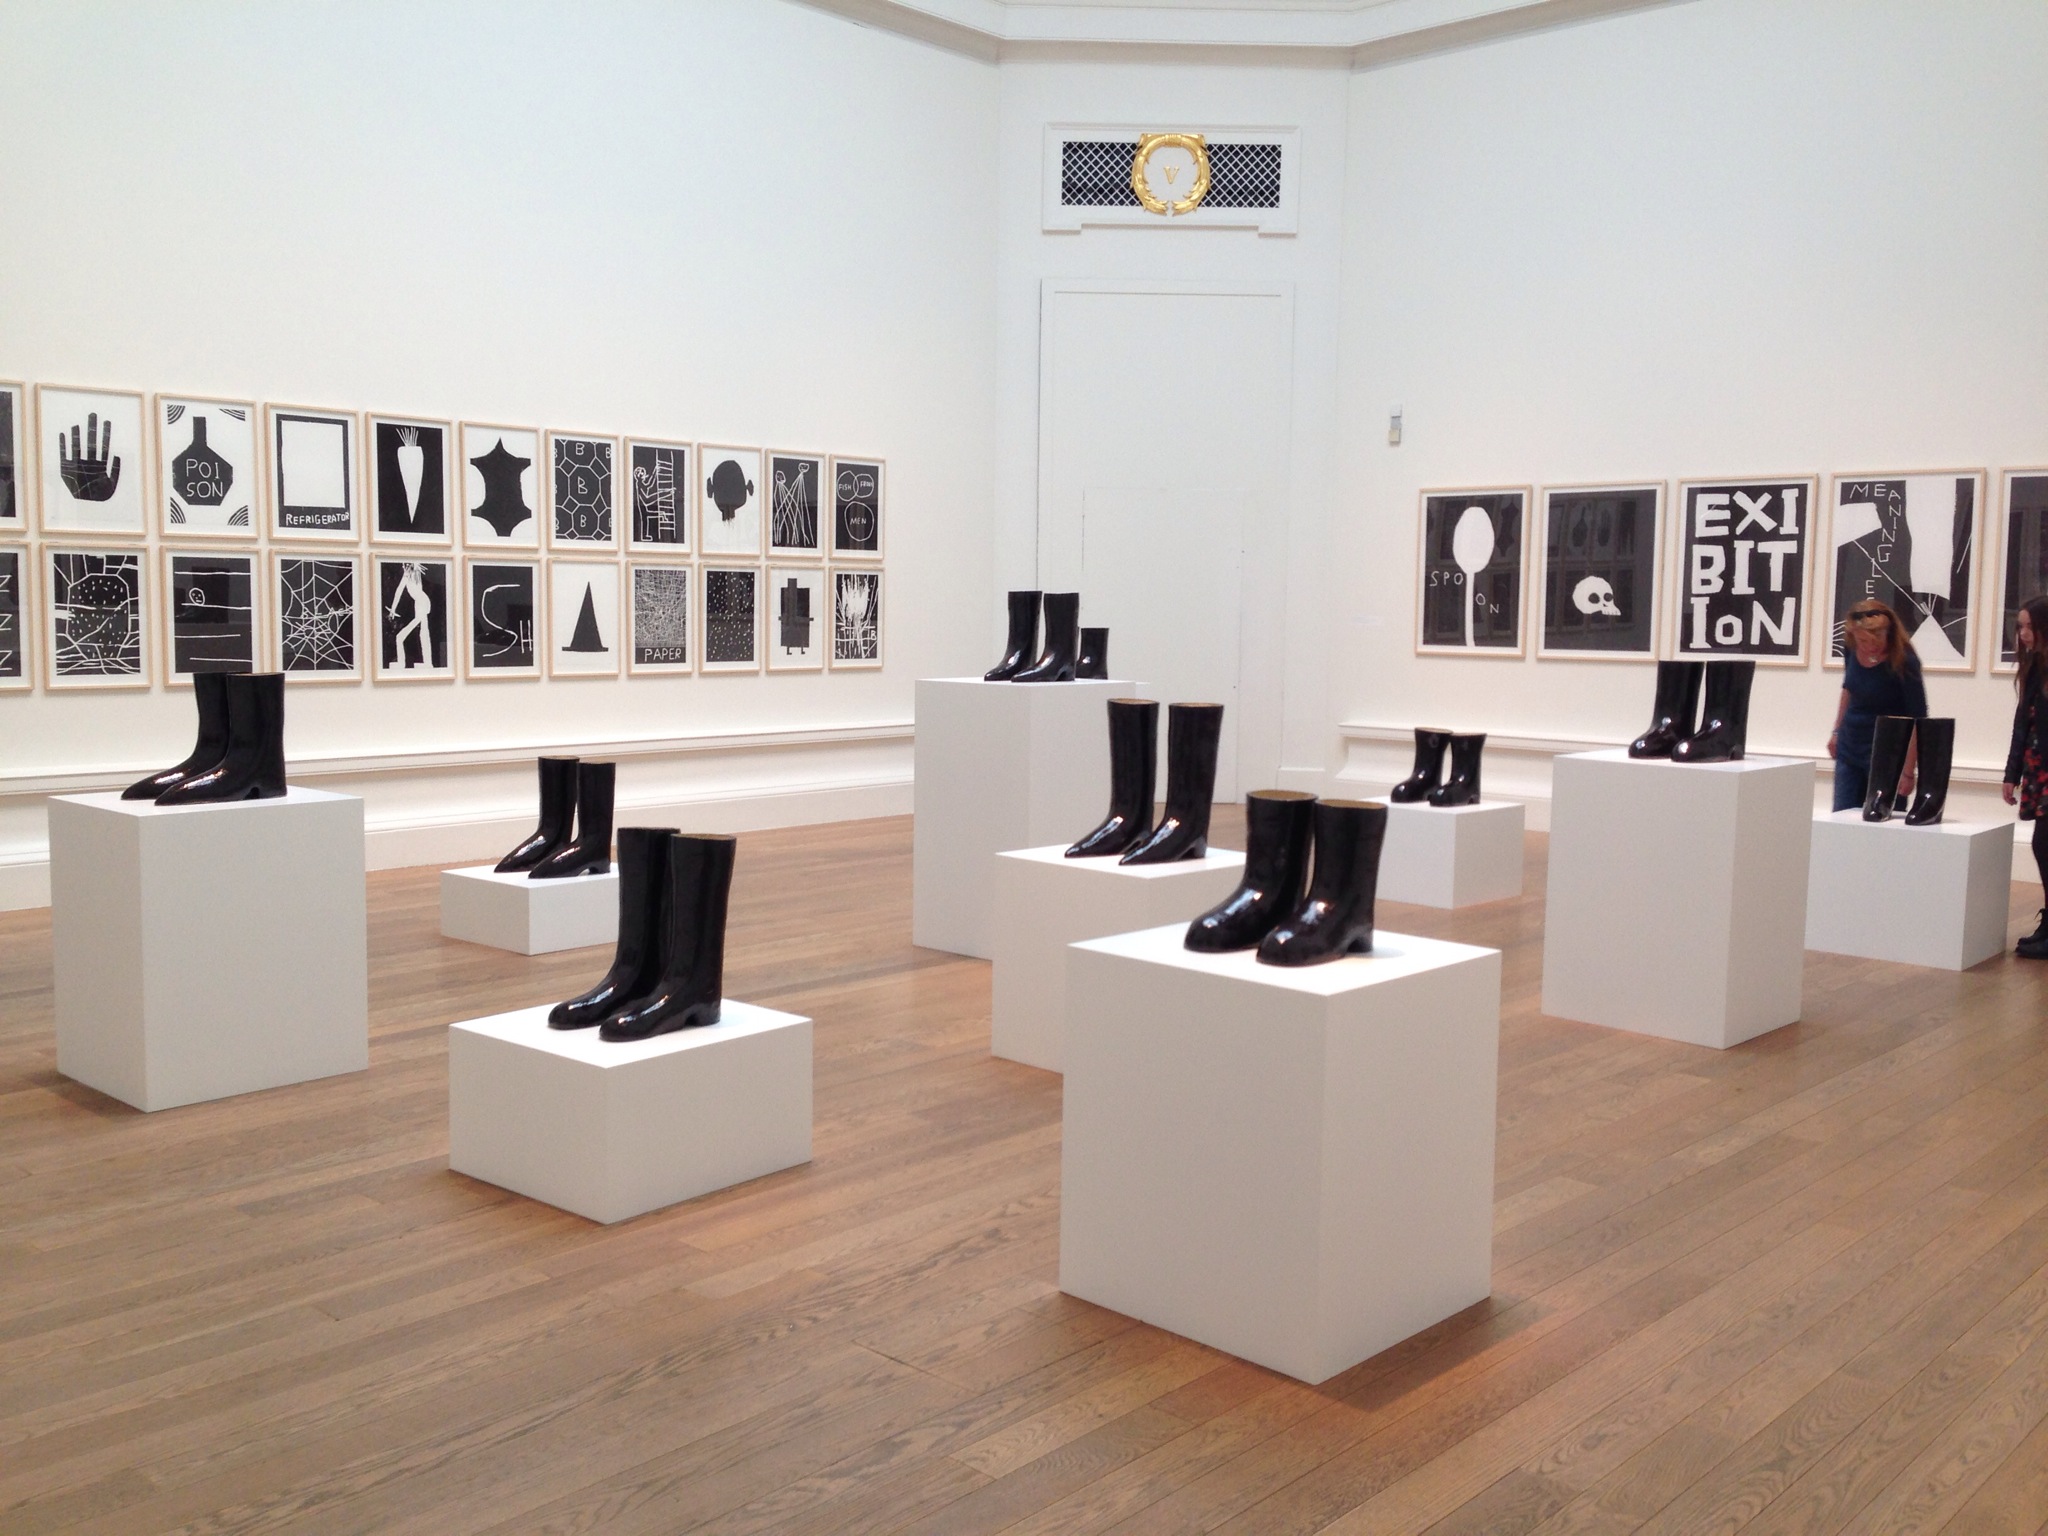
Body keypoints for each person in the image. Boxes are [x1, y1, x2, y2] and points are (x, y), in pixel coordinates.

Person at [1825, 599, 1926, 813]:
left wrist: (1908, 771)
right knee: (1842, 817)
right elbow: (1848, 688)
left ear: (1888, 632)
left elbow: (1918, 719)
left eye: (1876, 639)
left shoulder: (1905, 661)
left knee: (1881, 819)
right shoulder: (1851, 648)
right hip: (1850, 746)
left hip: (1887, 754)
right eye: (1862, 640)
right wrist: (1836, 731)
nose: (1869, 646)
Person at [2002, 595, 2048, 957]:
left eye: (2030, 626)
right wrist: (2011, 772)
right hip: (2038, 766)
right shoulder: (2033, 668)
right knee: (2042, 844)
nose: (2024, 633)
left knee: (2043, 844)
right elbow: (2023, 723)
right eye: (2021, 627)